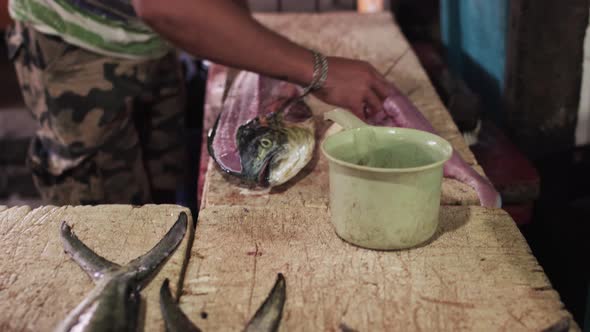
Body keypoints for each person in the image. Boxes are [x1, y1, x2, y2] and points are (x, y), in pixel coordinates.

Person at [5, 0, 392, 205]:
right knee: (108, 228)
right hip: (73, 44)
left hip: (151, 41)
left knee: (160, 200)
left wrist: (236, 37)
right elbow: (165, 6)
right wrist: (318, 71)